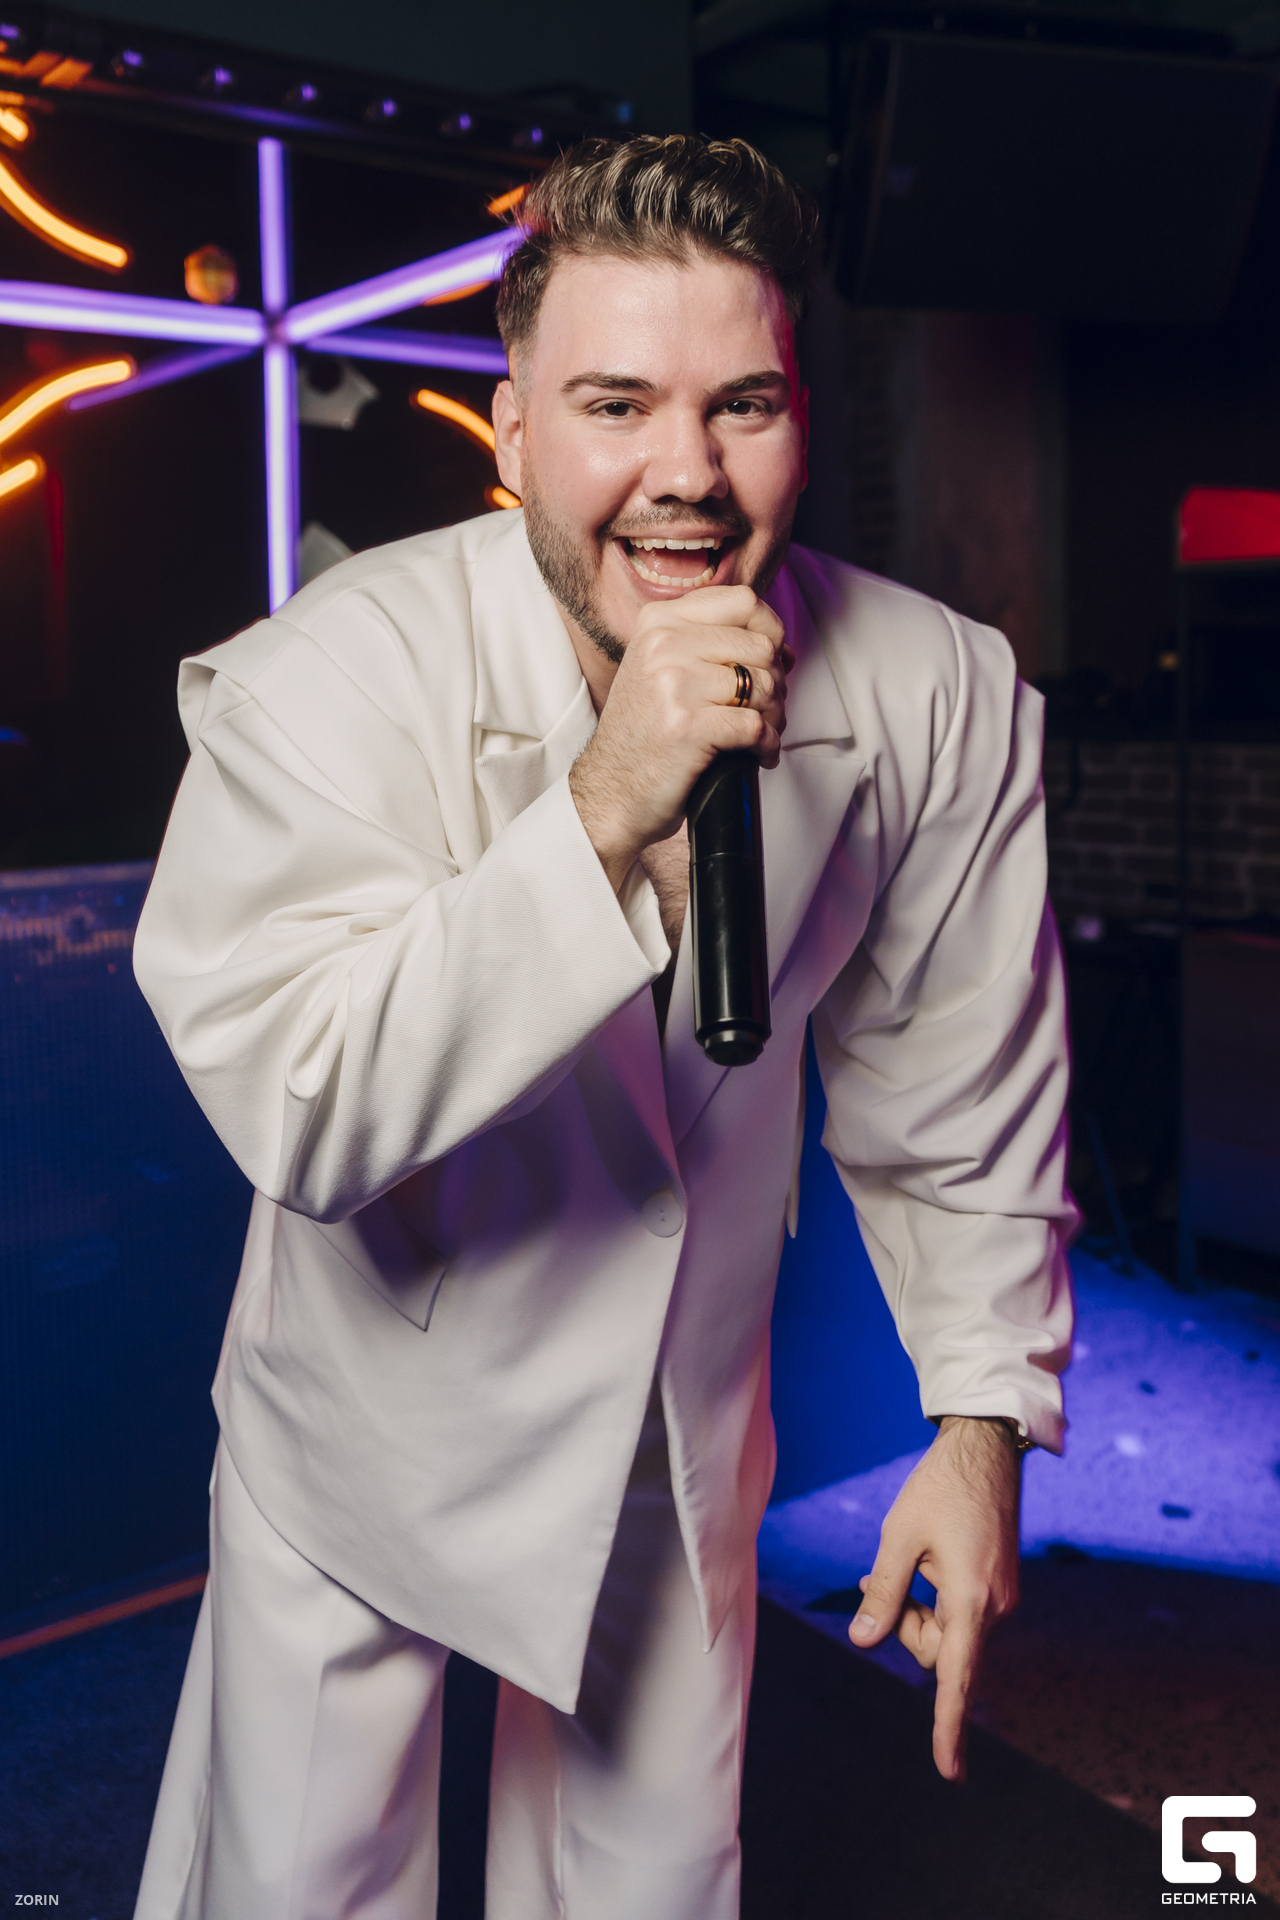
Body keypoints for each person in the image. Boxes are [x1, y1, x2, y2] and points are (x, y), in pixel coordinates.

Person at [132, 134, 1076, 1920]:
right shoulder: (330, 675)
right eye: (617, 404)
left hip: (679, 1430)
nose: (686, 474)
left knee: (656, 1889)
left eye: (744, 406)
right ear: (512, 433)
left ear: (803, 422)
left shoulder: (937, 693)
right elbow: (297, 1101)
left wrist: (980, 1434)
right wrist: (602, 807)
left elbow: (962, 1090)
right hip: (367, 1421)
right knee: (298, 1884)